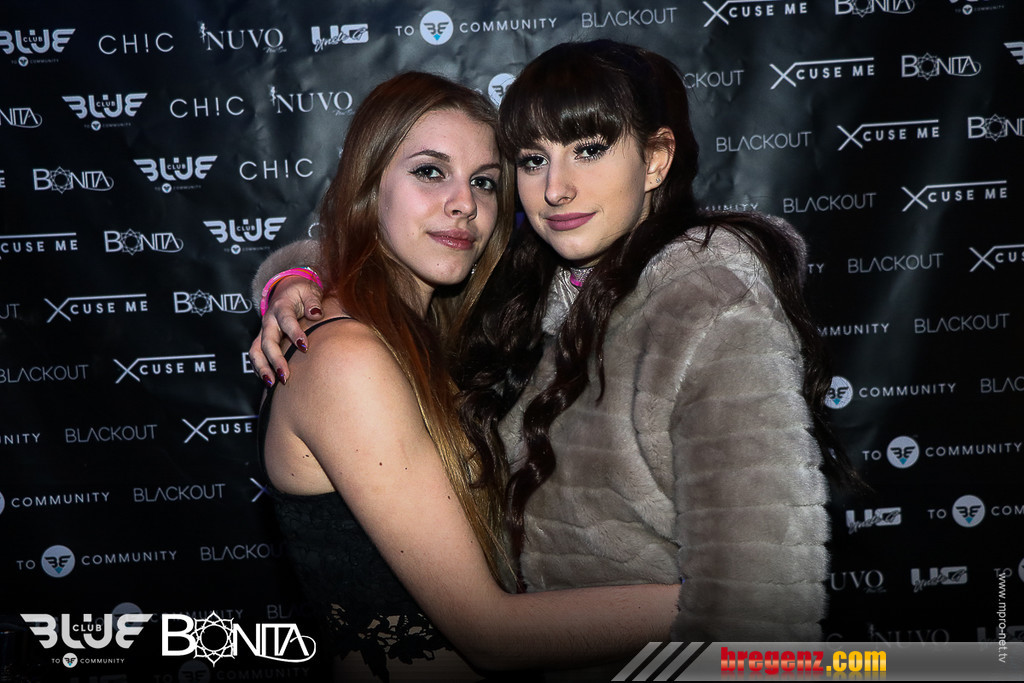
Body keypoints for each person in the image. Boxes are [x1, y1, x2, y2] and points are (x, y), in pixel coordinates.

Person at [252, 41, 857, 647]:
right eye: (532, 160)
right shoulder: (527, 302)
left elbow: (759, 599)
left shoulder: (708, 309)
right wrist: (294, 279)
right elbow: (368, 258)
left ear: (655, 160)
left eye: (588, 150)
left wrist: (732, 602)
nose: (555, 188)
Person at [254, 70, 679, 683]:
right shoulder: (347, 359)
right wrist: (727, 600)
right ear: (369, 185)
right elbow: (490, 634)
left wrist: (293, 277)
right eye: (430, 171)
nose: (464, 203)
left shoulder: (436, 333)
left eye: (484, 182)